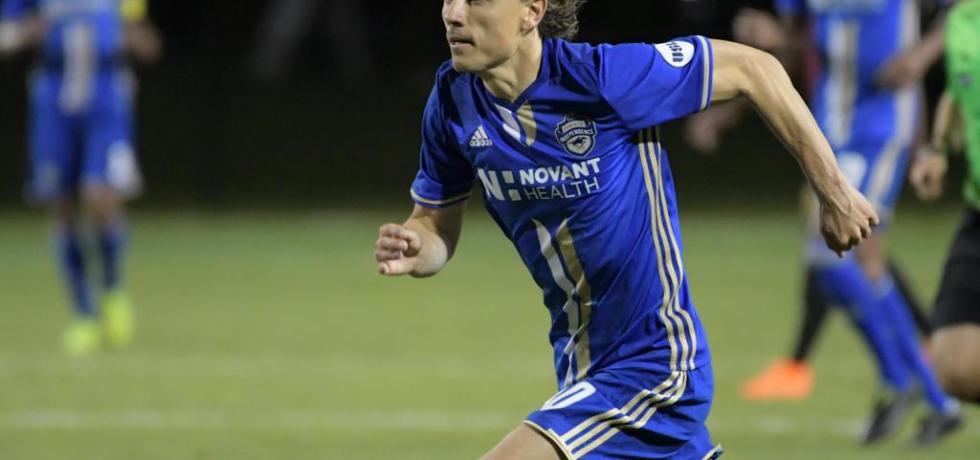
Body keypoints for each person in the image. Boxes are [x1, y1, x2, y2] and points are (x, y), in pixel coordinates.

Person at [374, 0, 877, 458]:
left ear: (531, 11)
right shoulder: (453, 100)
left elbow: (756, 68)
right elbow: (436, 225)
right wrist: (420, 244)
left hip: (655, 364)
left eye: (476, 0)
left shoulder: (604, 78)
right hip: (581, 369)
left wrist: (833, 193)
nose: (453, 13)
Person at [688, 0, 962, 445]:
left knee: (832, 256)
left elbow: (958, 9)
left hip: (880, 125)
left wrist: (921, 55)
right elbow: (795, 51)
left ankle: (904, 381)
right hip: (828, 130)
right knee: (859, 266)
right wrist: (772, 43)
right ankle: (934, 399)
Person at [0, 0, 161, 356]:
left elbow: (146, 40)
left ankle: (113, 289)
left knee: (100, 195)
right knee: (62, 207)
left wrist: (134, 38)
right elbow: (6, 37)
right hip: (54, 101)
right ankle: (84, 313)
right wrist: (26, 32)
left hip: (106, 100)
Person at [910, 0, 980, 407]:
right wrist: (938, 149)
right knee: (955, 365)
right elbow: (959, 89)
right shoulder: (963, 20)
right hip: (977, 207)